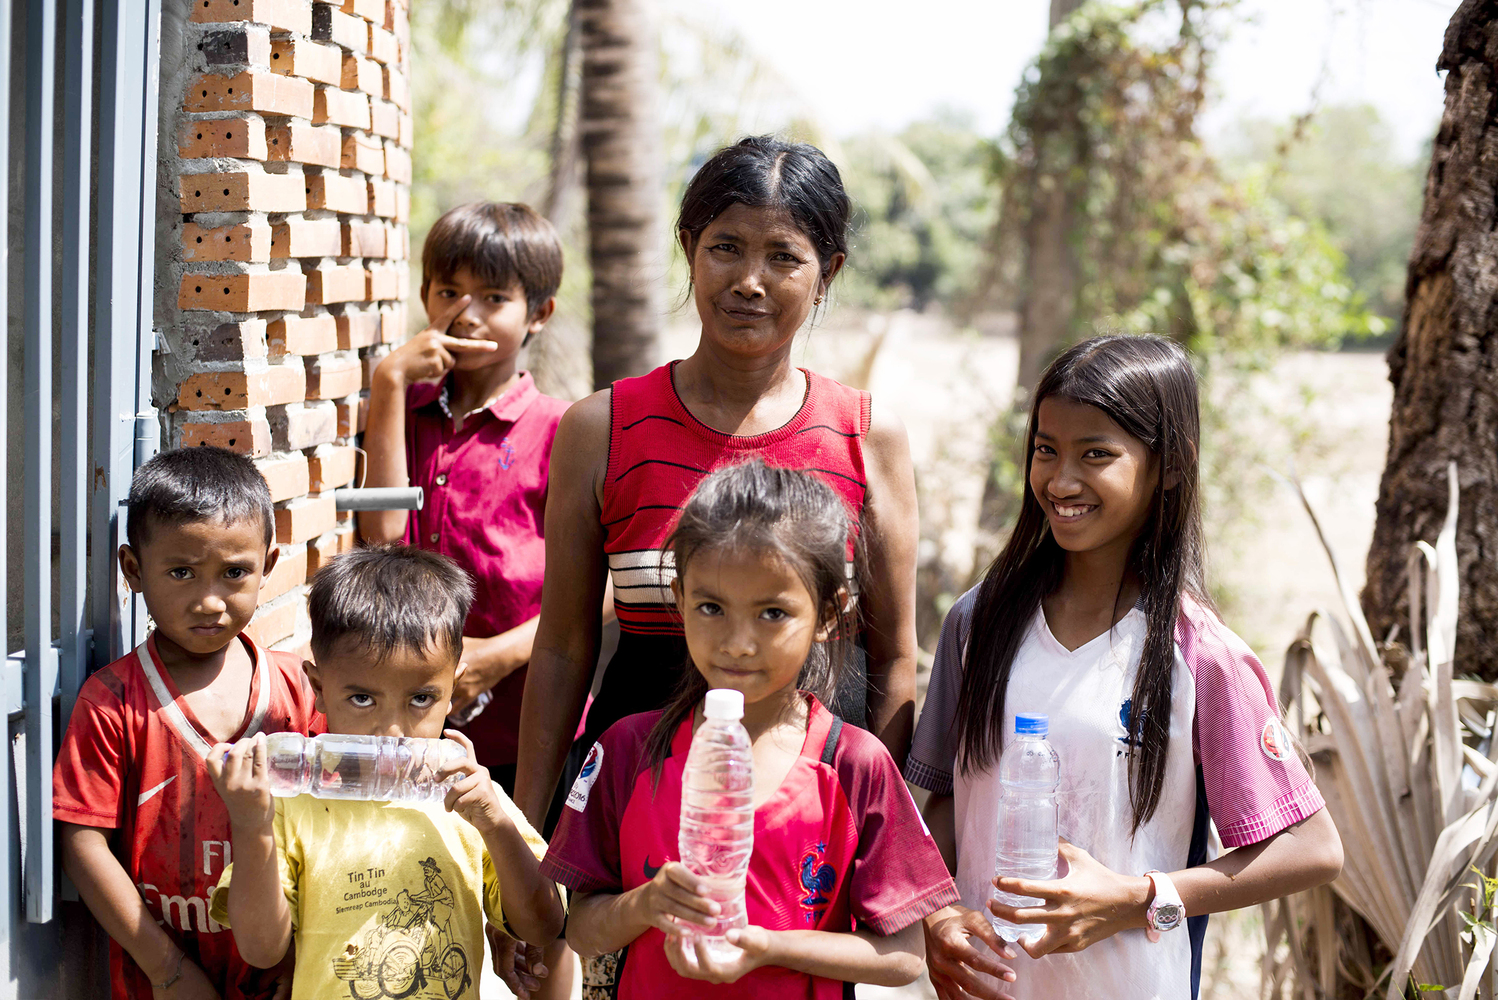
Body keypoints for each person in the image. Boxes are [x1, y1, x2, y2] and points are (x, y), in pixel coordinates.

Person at [906, 336, 1344, 1000]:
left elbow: (1312, 850)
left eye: (1096, 454)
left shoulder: (1201, 655)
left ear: (1169, 466)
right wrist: (937, 915)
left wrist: (1137, 899)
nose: (1061, 481)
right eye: (1046, 450)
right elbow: (940, 803)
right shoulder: (978, 623)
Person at [516, 135, 921, 840]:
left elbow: (891, 658)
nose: (750, 281)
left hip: (812, 826)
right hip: (636, 808)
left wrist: (881, 837)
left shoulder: (867, 438)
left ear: (828, 272)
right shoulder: (601, 429)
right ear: (689, 248)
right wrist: (526, 834)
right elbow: (561, 650)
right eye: (726, 247)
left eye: (784, 257)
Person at [542, 460, 958, 998]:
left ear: (828, 613)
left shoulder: (854, 762)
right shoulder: (628, 749)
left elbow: (903, 955)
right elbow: (581, 928)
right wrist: (644, 904)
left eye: (772, 613)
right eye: (712, 607)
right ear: (680, 598)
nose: (737, 643)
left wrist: (768, 947)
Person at [204, 546, 565, 1000]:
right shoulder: (290, 805)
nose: (392, 731)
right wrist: (251, 827)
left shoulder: (473, 799)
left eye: (421, 699)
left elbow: (544, 926)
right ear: (318, 687)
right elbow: (261, 950)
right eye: (362, 699)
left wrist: (495, 824)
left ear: (454, 688)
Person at [52, 446, 324, 999]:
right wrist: (168, 970)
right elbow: (83, 845)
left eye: (234, 573)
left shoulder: (297, 689)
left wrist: (305, 953)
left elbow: (326, 826)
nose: (209, 601)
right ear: (134, 570)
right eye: (181, 572)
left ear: (268, 566)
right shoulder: (113, 701)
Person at [360, 200, 571, 792]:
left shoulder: (562, 429)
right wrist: (389, 381)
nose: (467, 314)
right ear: (425, 295)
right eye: (449, 292)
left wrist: (498, 655)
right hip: (404, 723)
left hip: (523, 718)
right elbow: (383, 535)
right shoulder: (401, 410)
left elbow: (600, 583)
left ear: (539, 313)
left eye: (494, 298)